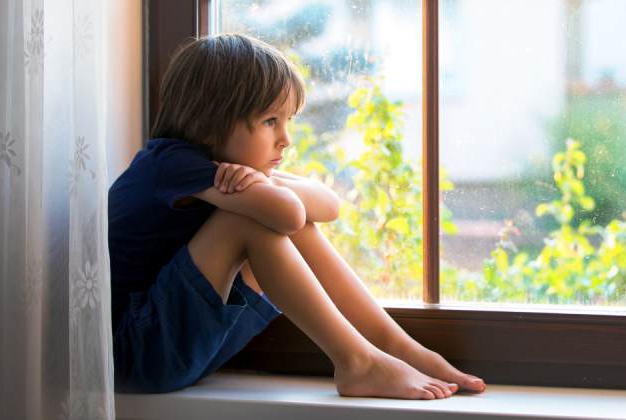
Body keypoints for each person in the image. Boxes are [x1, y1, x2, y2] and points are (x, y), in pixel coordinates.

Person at [109, 34, 486, 399]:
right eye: (270, 121)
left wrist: (263, 181)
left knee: (277, 215)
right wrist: (265, 186)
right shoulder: (172, 163)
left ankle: (394, 345)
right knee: (252, 219)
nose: (286, 139)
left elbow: (328, 205)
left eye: (288, 120)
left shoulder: (228, 168)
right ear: (209, 126)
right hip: (135, 352)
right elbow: (288, 213)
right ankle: (356, 361)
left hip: (174, 347)